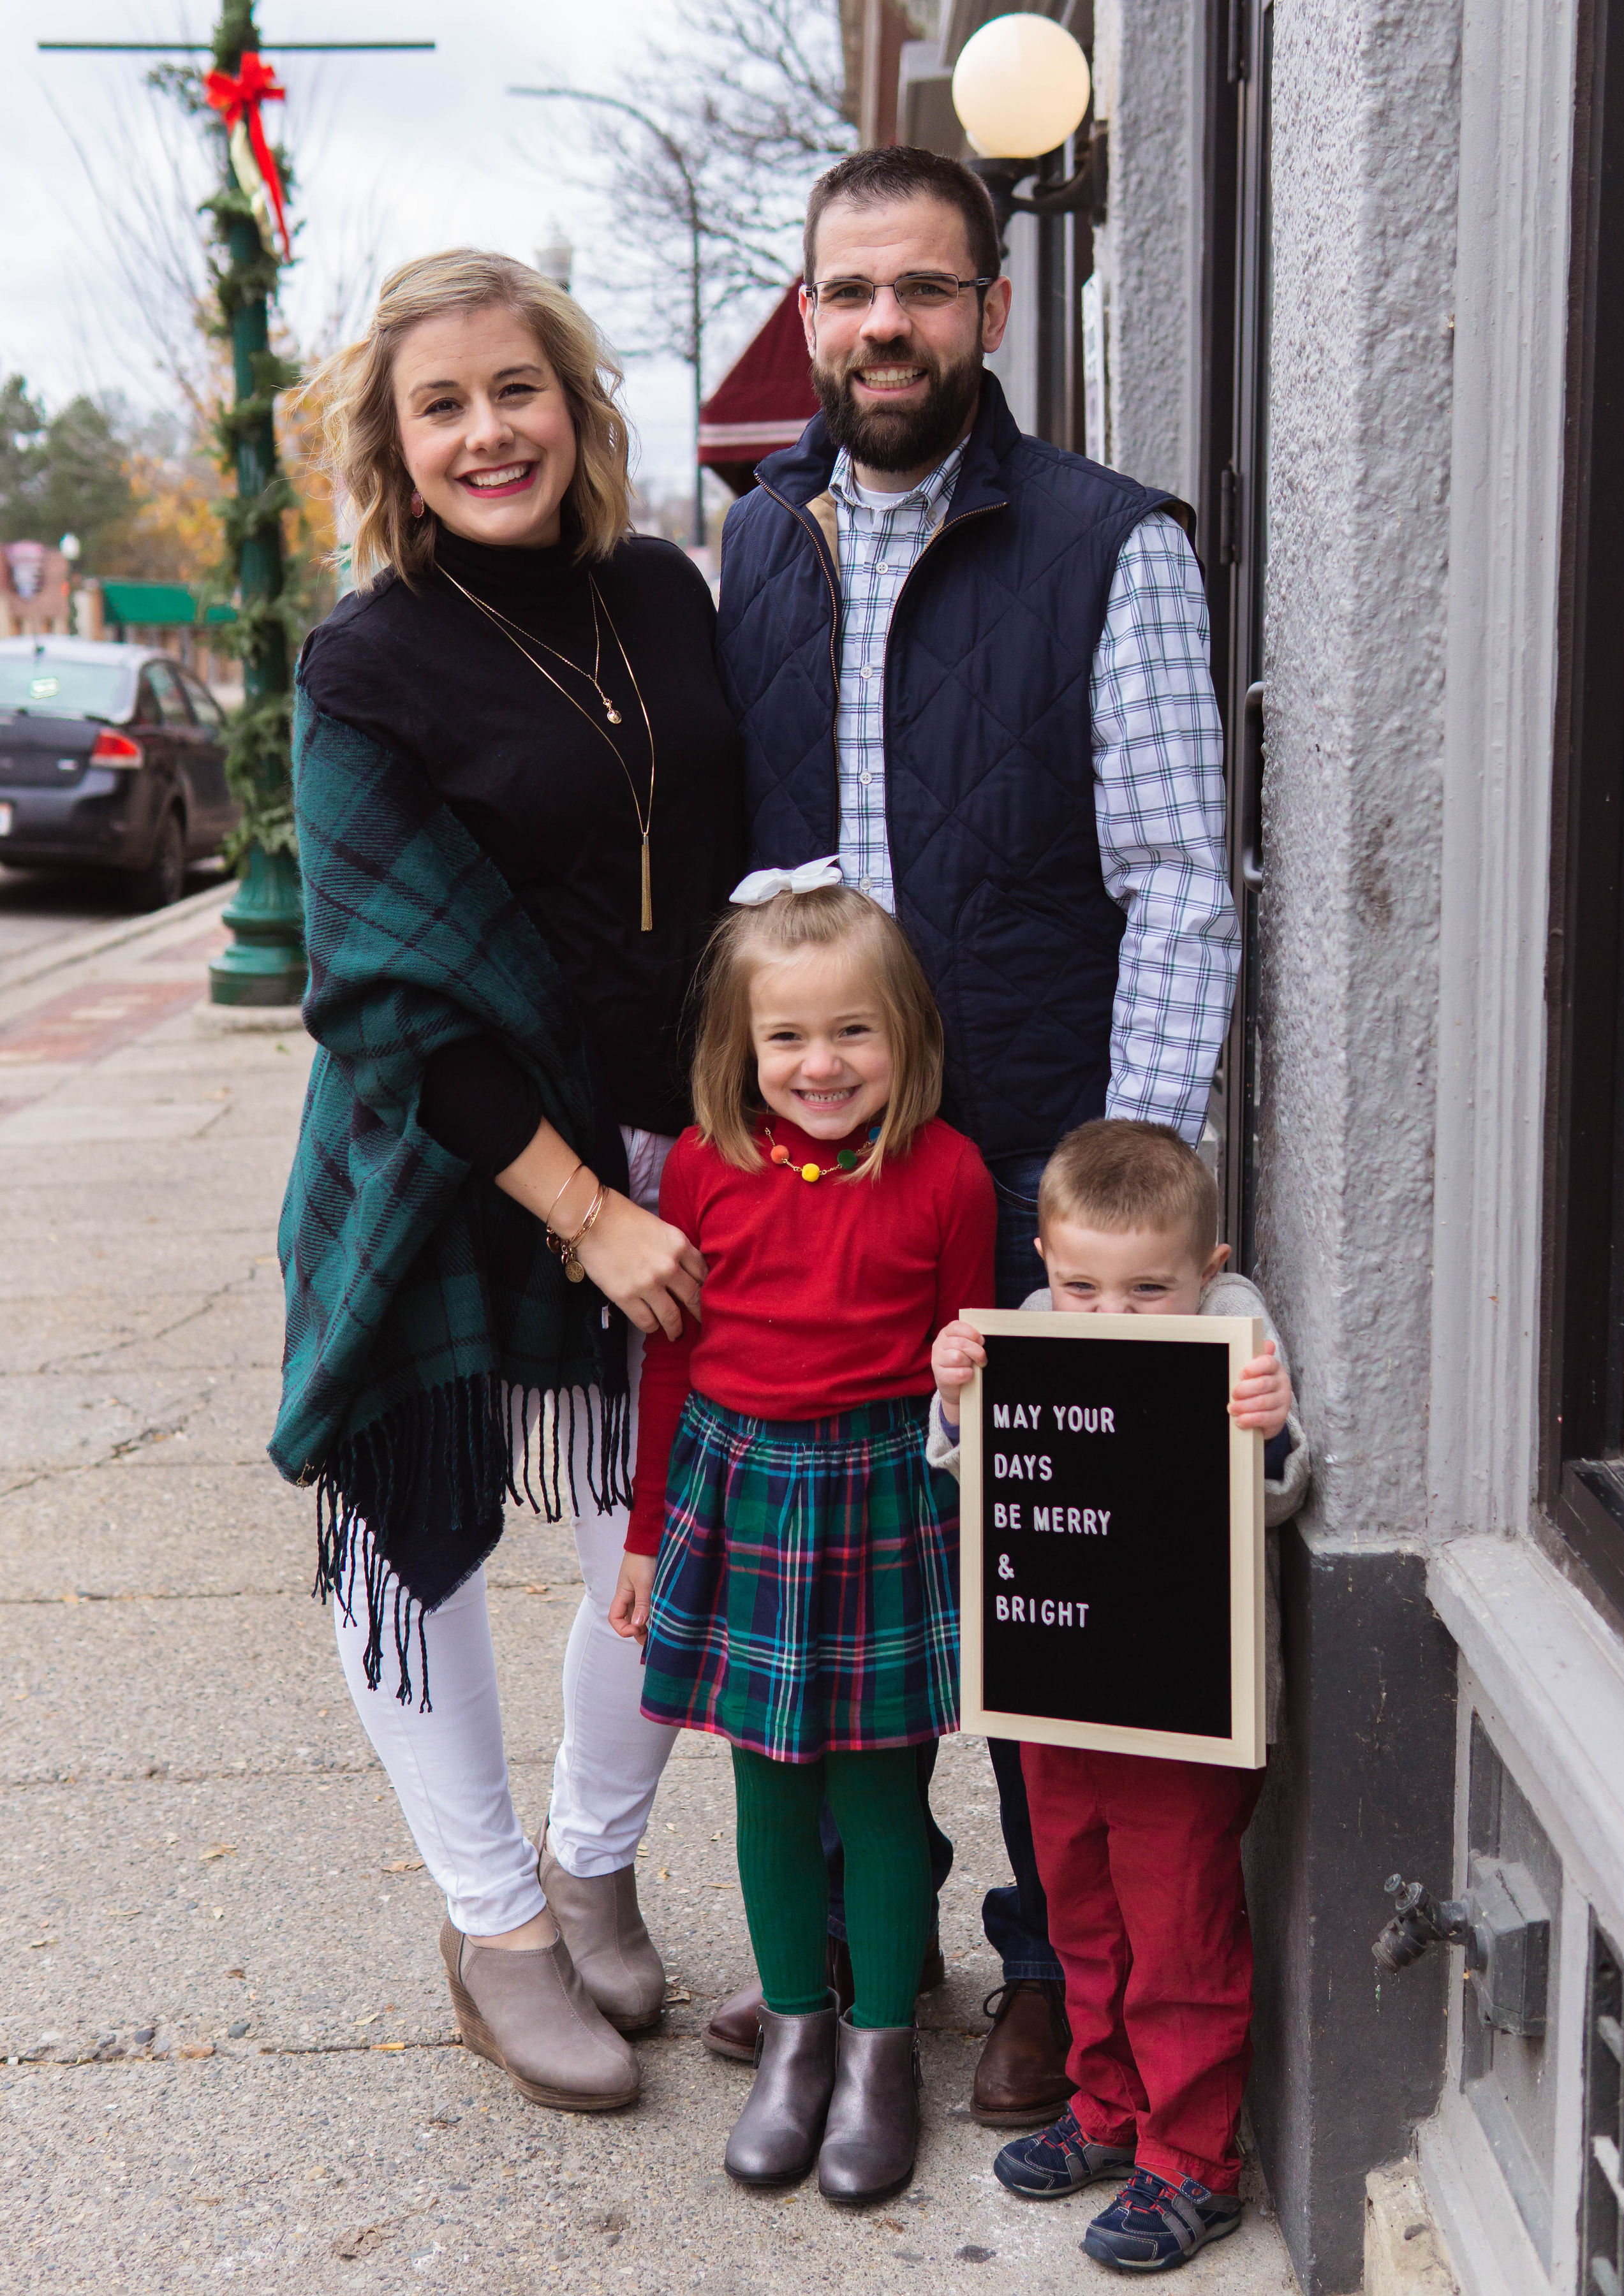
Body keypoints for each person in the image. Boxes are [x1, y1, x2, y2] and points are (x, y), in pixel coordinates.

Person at [706, 144, 1241, 2123]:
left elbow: (1180, 883)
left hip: (1023, 1151)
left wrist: (1118, 1201)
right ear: (810, 306)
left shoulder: (1115, 547)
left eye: (923, 291)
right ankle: (860, 1940)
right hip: (818, 1175)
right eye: (847, 293)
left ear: (990, 312)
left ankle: (1047, 1958)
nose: (880, 328)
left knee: (1033, 1575)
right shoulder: (755, 539)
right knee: (838, 1558)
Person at [270, 249, 742, 2113]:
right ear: (394, 444)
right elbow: (390, 979)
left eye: (516, 390)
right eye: (443, 405)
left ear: (576, 400)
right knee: (419, 1539)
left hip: (664, 1133)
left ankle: (593, 1861)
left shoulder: (660, 593)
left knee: (663, 1528)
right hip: (447, 1162)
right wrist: (587, 1207)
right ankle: (496, 1928)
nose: (489, 433)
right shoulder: (364, 657)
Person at [607, 868, 996, 2203]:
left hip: (890, 1497)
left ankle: (882, 2052)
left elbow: (973, 1373)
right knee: (768, 1786)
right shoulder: (704, 1176)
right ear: (740, 1048)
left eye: (852, 1033)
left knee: (883, 1787)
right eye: (787, 1037)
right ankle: (794, 2032)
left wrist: (966, 1372)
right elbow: (668, 1365)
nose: (820, 1064)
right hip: (744, 1490)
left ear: (905, 1037)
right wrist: (649, 1537)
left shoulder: (946, 1177)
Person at [928, 1119, 1310, 2272]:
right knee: (1080, 1912)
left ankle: (1194, 2160)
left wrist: (1270, 1429)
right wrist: (954, 1406)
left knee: (1180, 1930)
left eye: (1148, 1290)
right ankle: (1106, 2102)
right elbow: (971, 1475)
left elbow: (1288, 1491)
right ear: (1043, 1260)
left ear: (1207, 1265)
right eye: (1082, 1284)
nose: (1111, 1315)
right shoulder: (1036, 1332)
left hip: (1185, 1708)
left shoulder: (1232, 1333)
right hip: (1060, 1695)